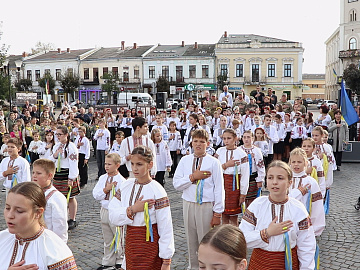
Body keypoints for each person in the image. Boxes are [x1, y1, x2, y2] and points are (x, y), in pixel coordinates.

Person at [239, 160, 316, 269]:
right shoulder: (257, 205)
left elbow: (307, 246)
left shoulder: (298, 209)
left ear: (290, 182)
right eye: (270, 177)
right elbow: (242, 237)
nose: (274, 182)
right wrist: (267, 233)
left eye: (280, 178)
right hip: (260, 262)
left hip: (287, 264)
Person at [108, 146, 175, 269]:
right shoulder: (126, 185)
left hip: (150, 244)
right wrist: (132, 209)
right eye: (132, 164)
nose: (134, 168)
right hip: (131, 242)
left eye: (139, 164)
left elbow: (165, 226)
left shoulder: (157, 190)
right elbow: (112, 215)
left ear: (150, 165)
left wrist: (166, 260)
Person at [173, 129, 225, 270]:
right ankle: (193, 266)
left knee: (206, 239)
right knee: (191, 239)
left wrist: (218, 212)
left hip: (206, 205)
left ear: (207, 143)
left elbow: (219, 188)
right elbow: (176, 184)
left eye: (202, 141)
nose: (198, 144)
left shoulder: (214, 162)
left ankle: (208, 266)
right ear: (191, 142)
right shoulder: (185, 160)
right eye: (195, 141)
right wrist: (192, 177)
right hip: (189, 203)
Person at [0, 182, 77, 269]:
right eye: (7, 208)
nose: (10, 215)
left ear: (38, 213)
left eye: (19, 211)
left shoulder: (55, 251)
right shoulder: (2, 238)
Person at [93, 153, 126, 270]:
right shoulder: (102, 178)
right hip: (104, 210)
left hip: (115, 212)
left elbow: (122, 198)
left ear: (117, 165)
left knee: (118, 236)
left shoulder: (122, 181)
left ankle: (120, 259)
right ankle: (108, 260)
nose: (106, 166)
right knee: (107, 237)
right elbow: (96, 194)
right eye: (105, 164)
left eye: (109, 164)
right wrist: (106, 189)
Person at [214, 128, 249, 225]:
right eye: (224, 138)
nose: (226, 141)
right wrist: (226, 165)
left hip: (235, 186)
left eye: (229, 138)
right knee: (224, 214)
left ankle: (234, 237)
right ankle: (224, 236)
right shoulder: (219, 151)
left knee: (233, 217)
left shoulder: (241, 154)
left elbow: (245, 175)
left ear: (235, 139)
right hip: (222, 184)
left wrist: (243, 193)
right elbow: (214, 170)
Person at [288, 148, 325, 237]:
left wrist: (315, 229)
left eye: (299, 162)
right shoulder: (286, 179)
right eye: (293, 162)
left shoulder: (310, 182)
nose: (296, 165)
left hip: (304, 223)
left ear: (305, 163)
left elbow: (317, 206)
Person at [49, 125, 80, 230]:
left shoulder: (71, 147)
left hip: (67, 174)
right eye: (56, 134)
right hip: (58, 173)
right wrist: (55, 154)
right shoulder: (56, 146)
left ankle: (72, 219)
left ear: (66, 135)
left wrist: (71, 178)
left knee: (70, 197)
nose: (57, 136)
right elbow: (51, 161)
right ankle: (62, 217)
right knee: (59, 197)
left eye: (60, 134)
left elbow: (73, 163)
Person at [32, 159, 68, 242]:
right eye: (33, 172)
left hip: (48, 239)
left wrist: (59, 244)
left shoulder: (57, 198)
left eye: (38, 173)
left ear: (49, 176)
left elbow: (60, 225)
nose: (34, 176)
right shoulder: (32, 192)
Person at [240, 130, 266, 207]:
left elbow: (260, 165)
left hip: (252, 178)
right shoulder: (239, 150)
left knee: (252, 201)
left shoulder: (256, 150)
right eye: (244, 137)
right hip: (241, 178)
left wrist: (260, 179)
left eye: (248, 137)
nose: (246, 139)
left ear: (252, 138)